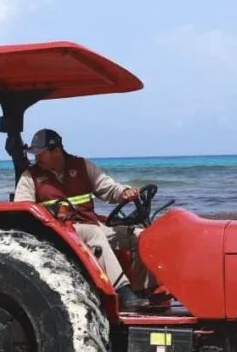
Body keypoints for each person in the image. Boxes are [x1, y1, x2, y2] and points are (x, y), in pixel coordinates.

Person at [13, 128, 150, 310]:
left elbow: (108, 188)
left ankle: (143, 291)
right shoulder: (30, 177)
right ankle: (122, 292)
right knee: (94, 233)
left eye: (40, 153)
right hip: (60, 234)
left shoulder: (82, 166)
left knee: (142, 236)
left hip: (91, 224)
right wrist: (50, 212)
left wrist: (124, 192)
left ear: (56, 151)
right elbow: (23, 211)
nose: (36, 158)